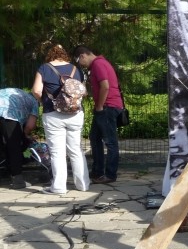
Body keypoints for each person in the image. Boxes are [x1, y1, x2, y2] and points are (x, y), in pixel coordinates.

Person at [32, 44, 90, 194]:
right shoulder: (76, 69)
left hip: (52, 114)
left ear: (50, 55)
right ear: (65, 55)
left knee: (57, 152)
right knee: (76, 149)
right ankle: (83, 184)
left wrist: (44, 101)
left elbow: (36, 90)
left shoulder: (44, 68)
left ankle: (58, 187)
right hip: (75, 113)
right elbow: (84, 92)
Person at [73, 46, 124, 183]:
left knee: (110, 142)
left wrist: (100, 106)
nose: (80, 65)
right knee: (94, 137)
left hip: (107, 107)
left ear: (83, 56)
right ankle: (97, 172)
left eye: (79, 61)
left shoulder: (98, 64)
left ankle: (110, 174)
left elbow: (105, 86)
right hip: (105, 107)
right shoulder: (100, 63)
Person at [0, 88, 39, 189]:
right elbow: (30, 125)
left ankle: (7, 172)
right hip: (9, 114)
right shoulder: (34, 102)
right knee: (14, 147)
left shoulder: (18, 92)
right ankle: (18, 181)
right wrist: (25, 135)